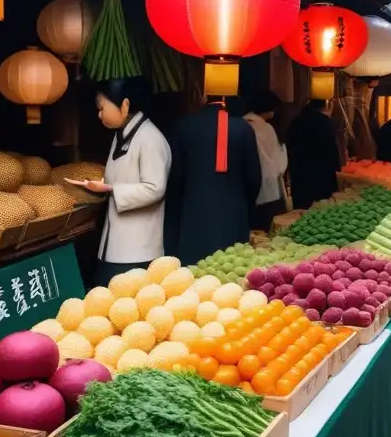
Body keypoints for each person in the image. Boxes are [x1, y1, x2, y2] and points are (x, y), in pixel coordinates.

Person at [86, 77, 171, 286]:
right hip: (116, 241)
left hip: (138, 248)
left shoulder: (151, 138)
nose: (99, 114)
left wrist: (111, 188)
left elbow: (155, 189)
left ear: (124, 105)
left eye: (102, 107)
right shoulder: (120, 135)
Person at [164, 102, 262, 266]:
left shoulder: (183, 126)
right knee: (231, 270)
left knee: (193, 272)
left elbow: (175, 179)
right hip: (233, 216)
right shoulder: (243, 128)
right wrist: (246, 207)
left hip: (192, 215)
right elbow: (254, 179)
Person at [243, 91, 288, 232]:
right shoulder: (267, 129)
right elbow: (279, 161)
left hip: (245, 186)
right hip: (268, 187)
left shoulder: (242, 125)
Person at [288, 99, 341, 210]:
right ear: (326, 106)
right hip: (322, 175)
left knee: (301, 211)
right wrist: (337, 171)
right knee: (322, 212)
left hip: (300, 176)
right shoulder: (326, 123)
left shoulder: (295, 122)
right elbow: (332, 151)